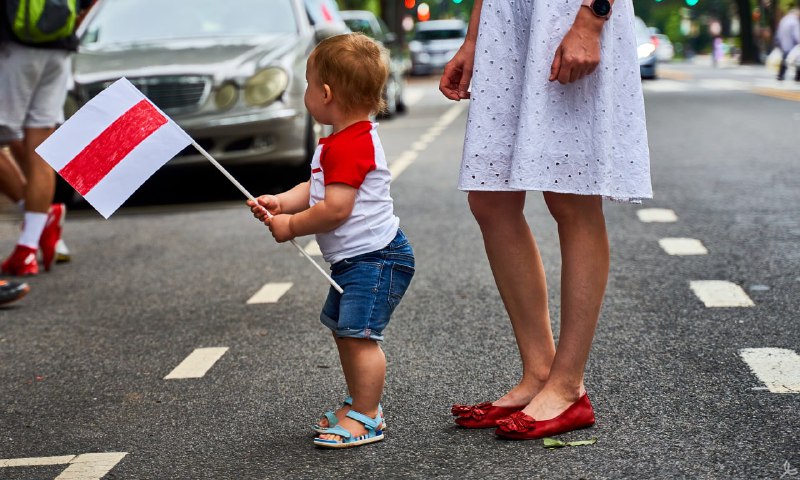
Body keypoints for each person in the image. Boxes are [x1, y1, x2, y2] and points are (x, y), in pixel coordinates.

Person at [441, 0, 652, 440]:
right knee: (490, 199)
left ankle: (568, 385)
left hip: (565, 17)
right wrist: (475, 38)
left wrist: (592, 19)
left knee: (571, 198)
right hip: (507, 24)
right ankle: (538, 372)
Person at [248, 33, 415, 449]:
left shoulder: (351, 145)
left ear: (325, 93)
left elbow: (334, 209)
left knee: (360, 336)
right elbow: (317, 188)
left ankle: (368, 416)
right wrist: (283, 202)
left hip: (375, 258)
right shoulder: (340, 142)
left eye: (307, 83)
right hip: (358, 259)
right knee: (345, 331)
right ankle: (358, 402)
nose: (305, 91)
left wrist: (292, 226)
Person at [0, 0, 91, 275]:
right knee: (40, 147)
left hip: (13, 51)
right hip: (58, 53)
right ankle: (28, 248)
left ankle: (38, 220)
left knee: (21, 139)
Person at [775, 7, 800, 81]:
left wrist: (779, 42)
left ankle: (780, 75)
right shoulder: (795, 21)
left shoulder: (784, 20)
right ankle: (797, 76)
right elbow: (797, 34)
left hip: (784, 44)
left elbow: (779, 32)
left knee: (785, 59)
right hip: (792, 45)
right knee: (797, 60)